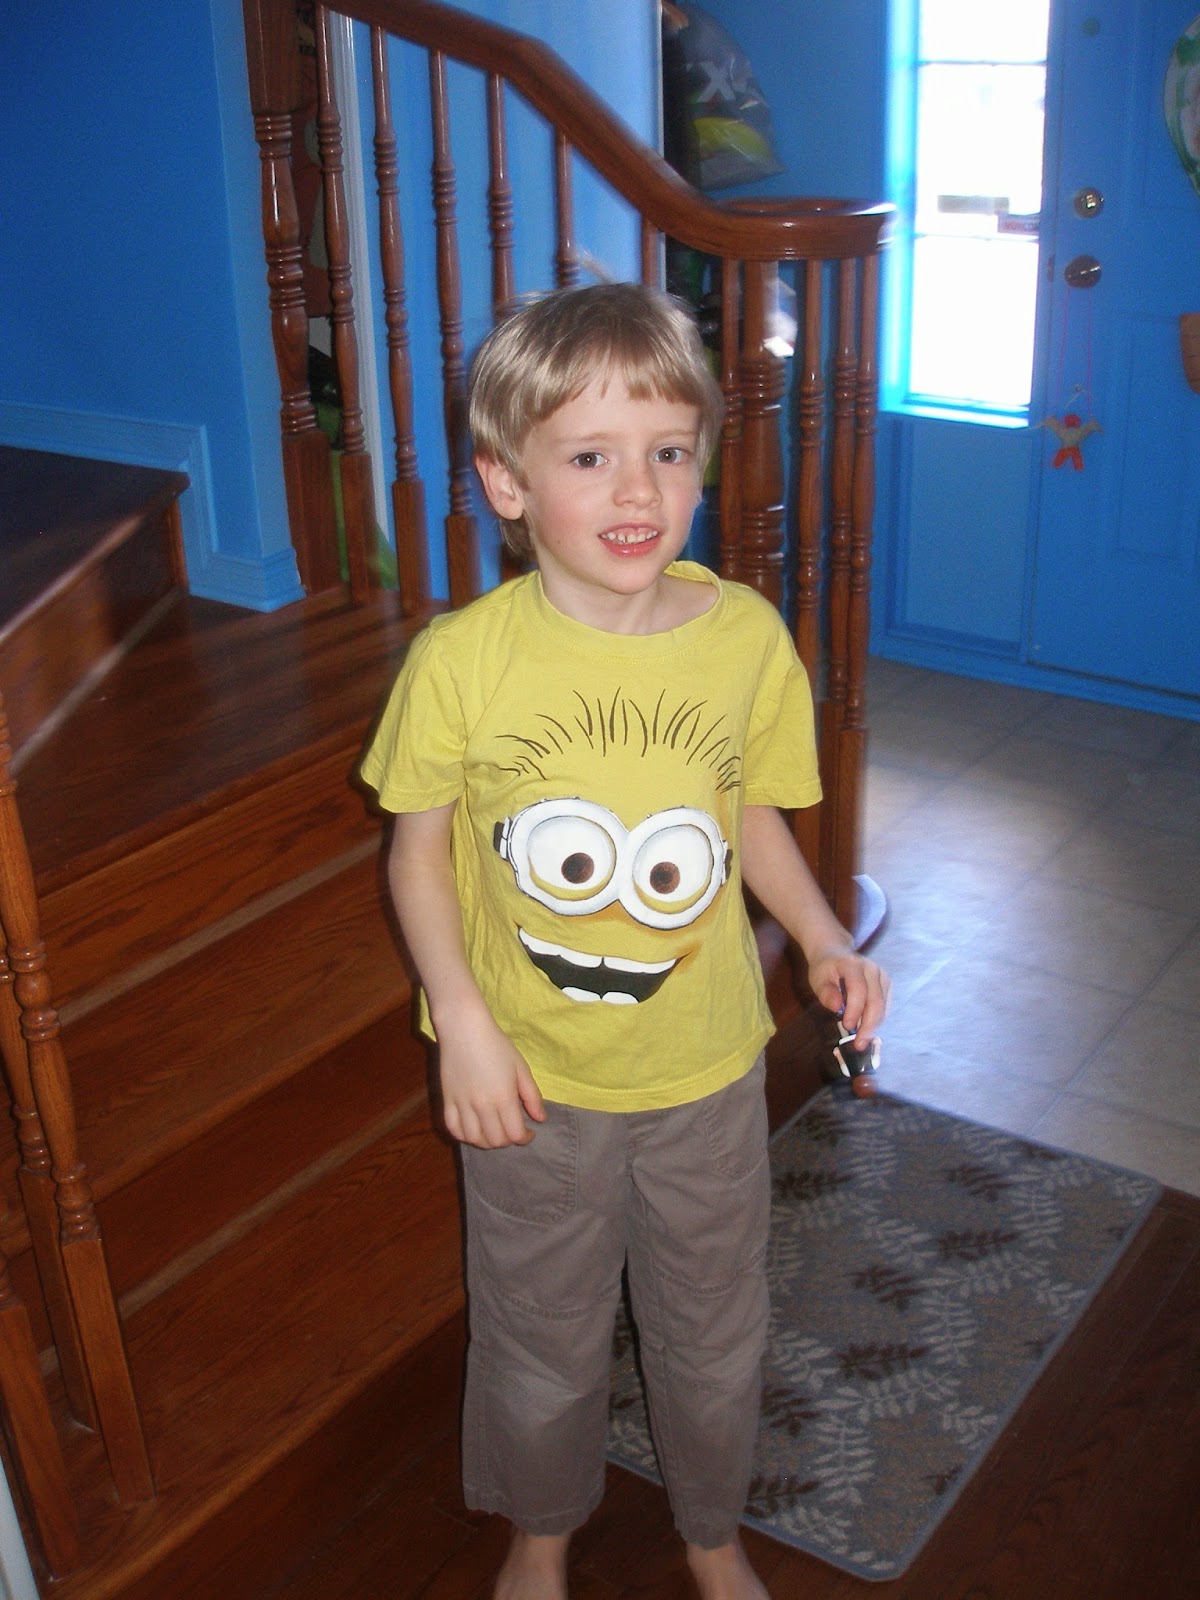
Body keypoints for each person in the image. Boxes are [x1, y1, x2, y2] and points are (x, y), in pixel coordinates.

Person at [360, 282, 888, 1600]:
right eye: (590, 457)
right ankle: (540, 1531)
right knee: (540, 1327)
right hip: (533, 1083)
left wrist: (821, 933)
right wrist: (461, 1024)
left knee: (714, 1324)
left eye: (669, 450)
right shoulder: (460, 662)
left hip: (706, 1071)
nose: (638, 488)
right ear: (508, 483)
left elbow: (749, 815)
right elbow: (417, 855)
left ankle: (710, 1531)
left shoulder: (745, 639)